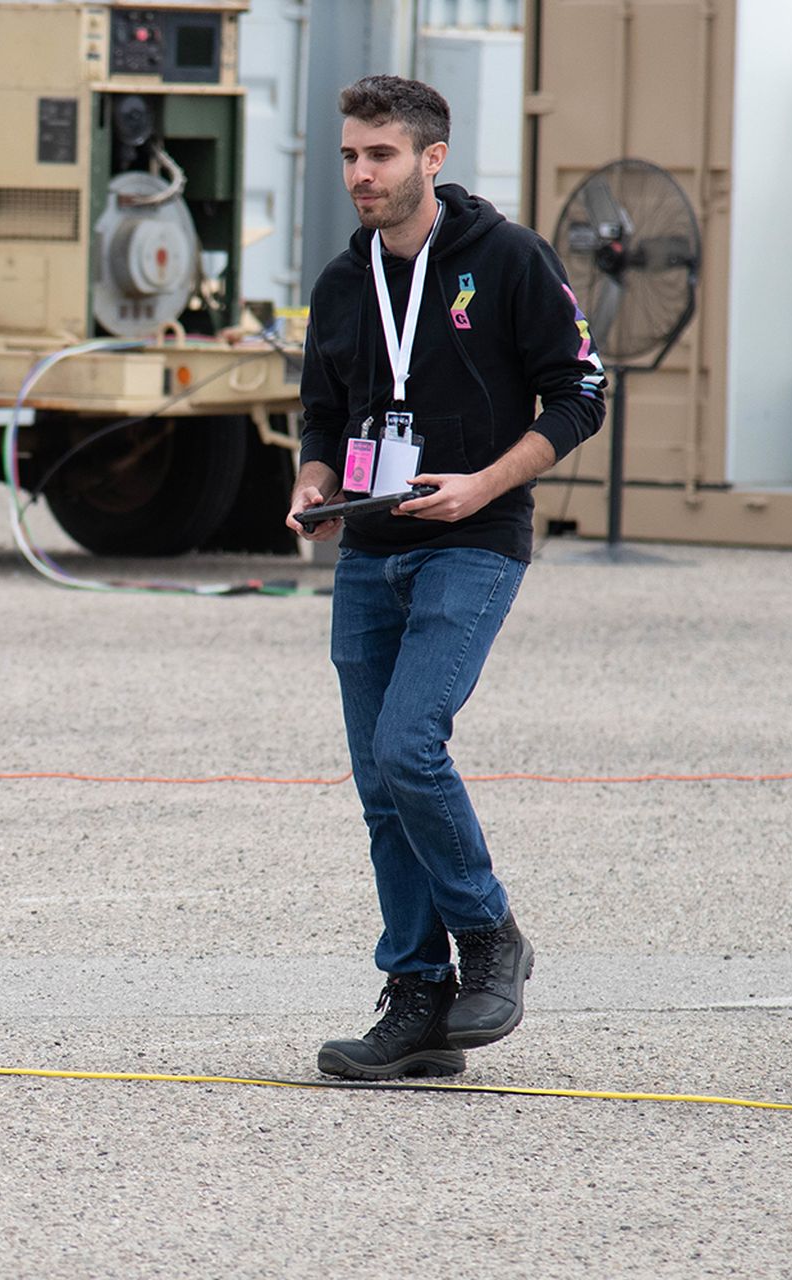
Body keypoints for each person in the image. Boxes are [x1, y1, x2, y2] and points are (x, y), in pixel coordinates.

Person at [286, 75, 606, 1080]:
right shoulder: (344, 283)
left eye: (378, 155)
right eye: (348, 155)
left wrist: (483, 486)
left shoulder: (506, 259)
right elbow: (320, 419)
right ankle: (418, 999)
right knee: (382, 785)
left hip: (472, 540)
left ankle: (492, 936)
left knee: (409, 745)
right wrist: (310, 484)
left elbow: (582, 391)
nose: (359, 175)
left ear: (433, 158)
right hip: (367, 547)